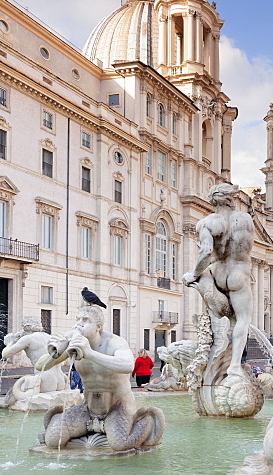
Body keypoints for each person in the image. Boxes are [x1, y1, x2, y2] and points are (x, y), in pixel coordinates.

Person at [38, 305, 164, 450]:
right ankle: (63, 419)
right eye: (78, 319)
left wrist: (89, 353)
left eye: (85, 320)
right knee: (53, 441)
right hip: (88, 408)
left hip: (117, 407)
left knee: (120, 444)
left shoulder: (114, 342)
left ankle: (147, 419)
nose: (79, 323)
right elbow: (40, 366)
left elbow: (128, 365)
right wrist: (55, 353)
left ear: (98, 326)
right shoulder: (74, 344)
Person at [182, 182, 253, 380]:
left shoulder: (207, 222)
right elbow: (246, 248)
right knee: (242, 320)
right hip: (239, 273)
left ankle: (215, 355)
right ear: (231, 198)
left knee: (220, 316)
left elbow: (205, 252)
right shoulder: (246, 220)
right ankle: (234, 366)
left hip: (218, 273)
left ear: (212, 200)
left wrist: (194, 274)